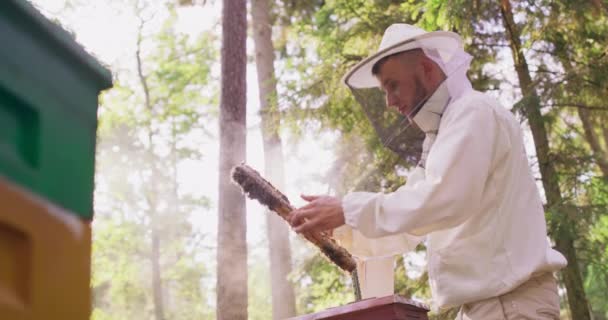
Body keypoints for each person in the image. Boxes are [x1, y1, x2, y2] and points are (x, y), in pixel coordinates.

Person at [288, 24, 567, 320]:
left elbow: (443, 200)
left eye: (393, 85)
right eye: (384, 90)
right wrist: (340, 230)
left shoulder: (473, 112)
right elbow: (411, 224)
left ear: (426, 69)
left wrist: (348, 209)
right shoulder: (441, 136)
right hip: (486, 306)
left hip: (510, 304)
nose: (389, 102)